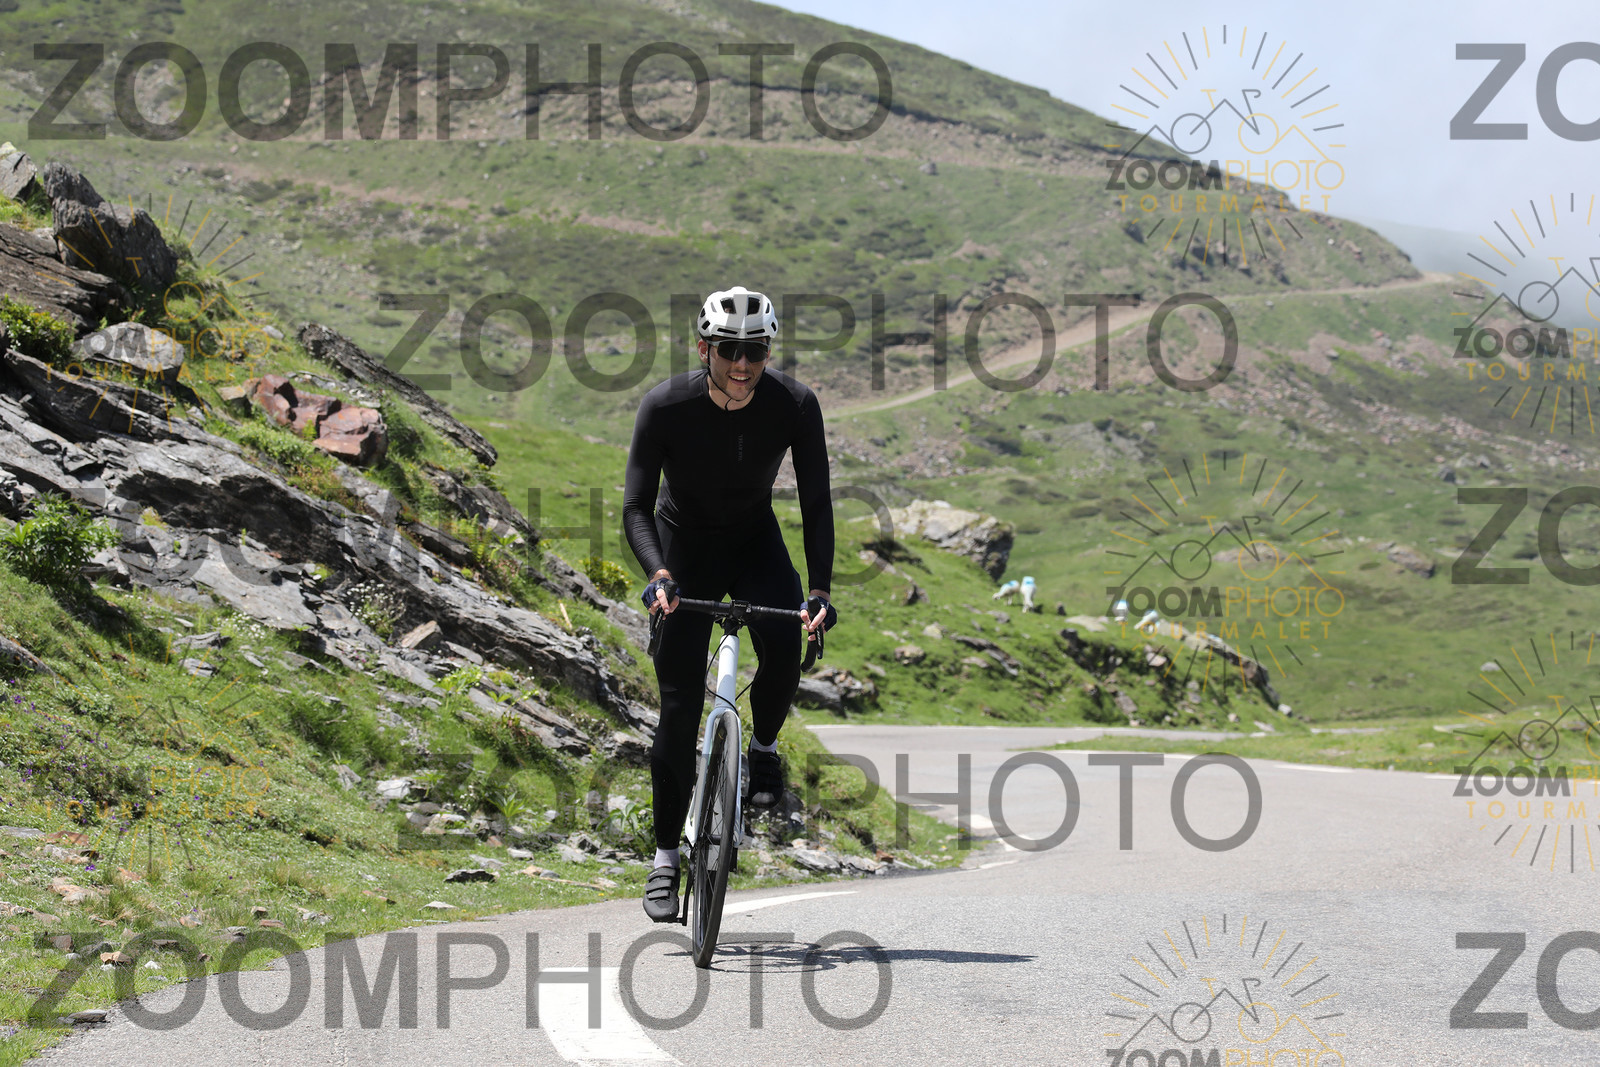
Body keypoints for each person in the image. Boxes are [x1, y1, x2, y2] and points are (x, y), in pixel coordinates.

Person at [623, 285, 839, 923]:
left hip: (753, 543)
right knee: (678, 709)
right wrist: (658, 573)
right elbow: (635, 505)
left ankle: (764, 749)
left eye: (756, 351)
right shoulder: (665, 405)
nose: (742, 364)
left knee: (787, 644)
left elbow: (816, 502)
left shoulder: (794, 404)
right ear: (704, 349)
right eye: (728, 350)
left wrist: (820, 590)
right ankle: (665, 859)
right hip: (682, 550)